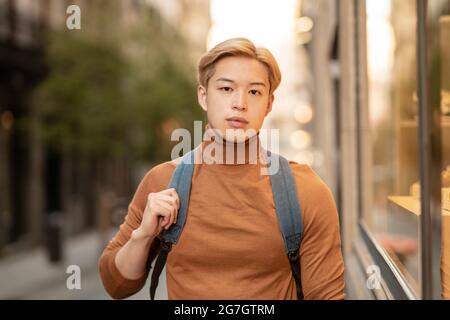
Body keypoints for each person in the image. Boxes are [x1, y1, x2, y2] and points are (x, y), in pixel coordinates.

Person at [98, 37, 345, 300]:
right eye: (226, 89)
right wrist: (143, 235)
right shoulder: (163, 182)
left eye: (254, 92)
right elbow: (116, 286)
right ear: (203, 96)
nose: (240, 103)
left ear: (269, 104)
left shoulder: (305, 190)